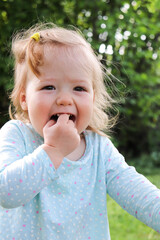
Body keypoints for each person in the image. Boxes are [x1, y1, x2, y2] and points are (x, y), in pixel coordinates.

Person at [0, 23, 159, 240]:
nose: (65, 99)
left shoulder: (99, 149)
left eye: (79, 88)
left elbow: (141, 196)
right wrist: (53, 151)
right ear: (25, 99)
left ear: (92, 99)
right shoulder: (16, 135)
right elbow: (6, 192)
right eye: (49, 87)